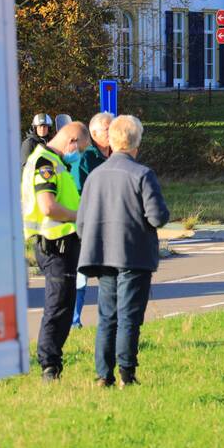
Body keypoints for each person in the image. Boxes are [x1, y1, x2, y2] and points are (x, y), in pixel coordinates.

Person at [77, 115, 170, 388]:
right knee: (129, 316)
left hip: (102, 254)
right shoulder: (142, 175)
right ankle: (126, 373)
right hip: (133, 255)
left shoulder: (94, 176)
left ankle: (103, 374)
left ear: (111, 140)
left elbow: (81, 222)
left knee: (107, 316)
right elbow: (157, 218)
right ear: (136, 142)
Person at [21, 120, 91, 381]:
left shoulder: (56, 161)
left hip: (63, 245)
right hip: (54, 245)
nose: (79, 154)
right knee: (57, 306)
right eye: (81, 149)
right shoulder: (45, 163)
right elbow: (48, 206)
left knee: (63, 305)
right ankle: (49, 366)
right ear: (71, 141)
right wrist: (81, 215)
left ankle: (53, 362)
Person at [71, 112, 115, 329]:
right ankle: (74, 320)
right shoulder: (85, 158)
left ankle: (107, 320)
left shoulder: (118, 155)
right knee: (81, 274)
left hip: (112, 225)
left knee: (110, 274)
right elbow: (79, 192)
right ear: (95, 133)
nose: (112, 132)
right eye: (108, 129)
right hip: (89, 225)